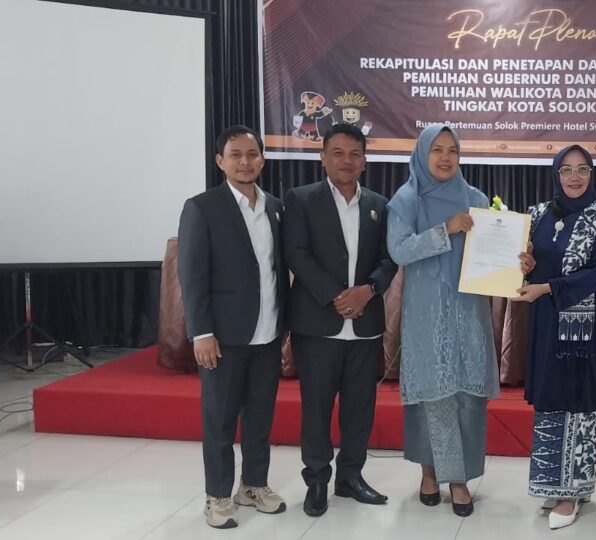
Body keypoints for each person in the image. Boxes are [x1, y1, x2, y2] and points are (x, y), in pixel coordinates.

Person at [387, 124, 513, 517]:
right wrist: (446, 229)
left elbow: (493, 251)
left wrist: (515, 259)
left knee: (466, 396)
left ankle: (459, 478)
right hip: (426, 312)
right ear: (422, 154)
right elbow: (399, 250)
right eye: (437, 149)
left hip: (468, 309)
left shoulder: (475, 199)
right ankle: (432, 473)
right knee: (432, 391)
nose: (445, 157)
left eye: (452, 150)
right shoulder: (407, 199)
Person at [177, 125, 288, 529]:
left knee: (259, 417)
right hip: (222, 337)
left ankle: (253, 485)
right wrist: (201, 332)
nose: (245, 162)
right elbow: (192, 275)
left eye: (252, 154)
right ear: (220, 162)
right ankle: (218, 496)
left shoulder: (275, 207)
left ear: (262, 159)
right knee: (220, 420)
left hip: (268, 333)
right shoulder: (202, 208)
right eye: (236, 155)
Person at [283, 123, 396, 515]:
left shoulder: (380, 205)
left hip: (365, 324)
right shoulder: (301, 199)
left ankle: (350, 477)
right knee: (316, 407)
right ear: (323, 157)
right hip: (318, 323)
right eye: (338, 153)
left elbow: (389, 258)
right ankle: (317, 480)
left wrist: (368, 290)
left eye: (354, 154)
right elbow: (296, 253)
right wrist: (337, 296)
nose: (346, 161)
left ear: (364, 161)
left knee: (359, 408)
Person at [510, 145, 596, 530]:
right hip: (547, 323)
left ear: (592, 174)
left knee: (581, 400)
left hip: (586, 328)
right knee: (552, 398)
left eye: (582, 169)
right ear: (556, 174)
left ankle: (572, 492)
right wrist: (526, 266)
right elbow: (533, 264)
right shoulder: (539, 214)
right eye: (567, 170)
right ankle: (554, 482)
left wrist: (547, 288)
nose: (575, 177)